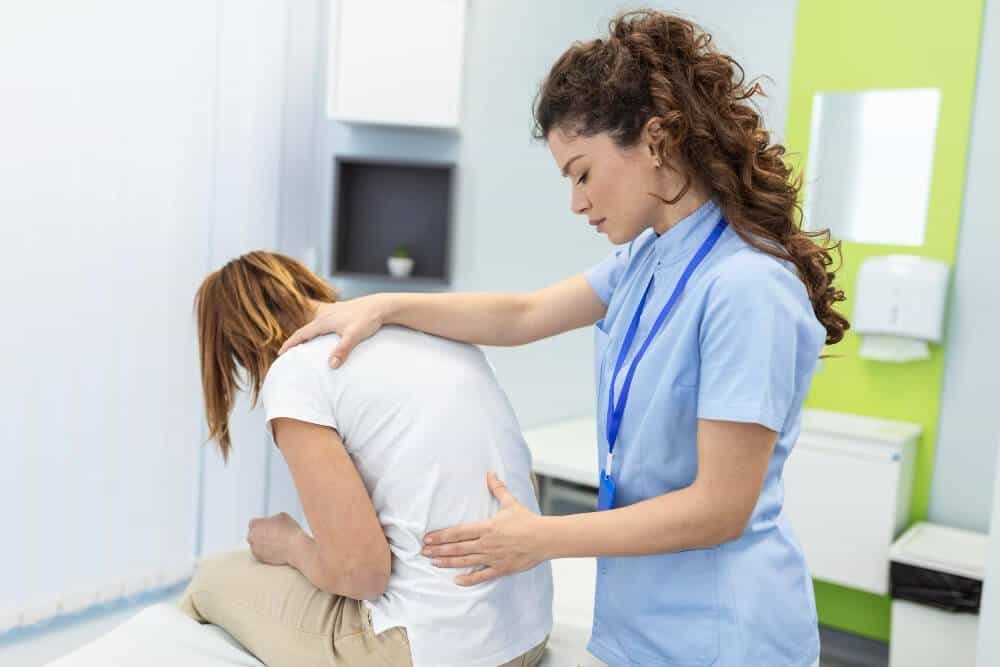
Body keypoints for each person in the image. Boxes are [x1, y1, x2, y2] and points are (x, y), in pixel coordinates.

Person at [279, 9, 849, 667]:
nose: (577, 202)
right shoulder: (648, 260)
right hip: (641, 630)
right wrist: (381, 307)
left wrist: (540, 537)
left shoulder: (748, 287)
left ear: (657, 140)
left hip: (727, 637)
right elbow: (522, 315)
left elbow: (720, 508)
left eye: (582, 172)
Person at [182, 251, 552, 667]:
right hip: (528, 633)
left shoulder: (297, 370)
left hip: (430, 651)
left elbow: (361, 573)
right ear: (303, 283)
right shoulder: (438, 331)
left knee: (211, 579)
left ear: (238, 341)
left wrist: (290, 544)